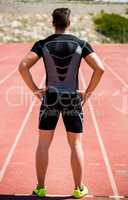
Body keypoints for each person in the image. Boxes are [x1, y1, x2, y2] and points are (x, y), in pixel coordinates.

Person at [18, 8, 104, 199]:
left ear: (52, 23)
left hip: (50, 97)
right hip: (72, 98)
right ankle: (78, 188)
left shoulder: (43, 44)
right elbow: (100, 68)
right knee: (76, 145)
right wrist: (87, 94)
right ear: (69, 22)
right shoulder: (81, 44)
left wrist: (35, 90)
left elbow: (22, 67)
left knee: (43, 144)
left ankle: (40, 188)